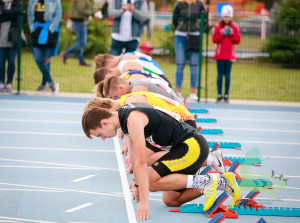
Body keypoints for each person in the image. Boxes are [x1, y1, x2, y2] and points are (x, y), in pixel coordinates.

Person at [82, 104, 241, 221]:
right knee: (170, 200)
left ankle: (207, 180)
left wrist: (144, 201)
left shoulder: (132, 119)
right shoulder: (124, 118)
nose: (103, 138)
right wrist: (137, 184)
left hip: (192, 147)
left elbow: (141, 163)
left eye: (99, 134)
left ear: (104, 123)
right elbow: (137, 157)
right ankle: (221, 182)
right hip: (184, 149)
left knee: (151, 182)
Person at [172, 0, 205, 101]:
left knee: (194, 65)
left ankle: (193, 93)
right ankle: (178, 91)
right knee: (180, 64)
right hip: (180, 36)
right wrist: (181, 26)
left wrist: (197, 27)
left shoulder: (199, 4)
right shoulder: (179, 4)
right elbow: (174, 20)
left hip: (195, 37)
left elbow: (205, 20)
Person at [27, 0, 61, 92]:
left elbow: (58, 16)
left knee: (46, 61)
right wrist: (31, 28)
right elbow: (29, 15)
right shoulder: (32, 1)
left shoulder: (55, 1)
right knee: (38, 58)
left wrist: (51, 29)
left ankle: (43, 85)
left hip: (50, 31)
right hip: (36, 31)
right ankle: (50, 82)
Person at [212, 5, 241, 103]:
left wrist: (231, 34)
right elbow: (214, 39)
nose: (226, 18)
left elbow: (237, 40)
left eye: (228, 17)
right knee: (220, 75)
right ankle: (219, 94)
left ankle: (226, 95)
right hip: (220, 55)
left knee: (227, 75)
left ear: (231, 17)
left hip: (229, 56)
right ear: (222, 17)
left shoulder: (235, 27)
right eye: (225, 16)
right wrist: (222, 33)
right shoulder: (217, 26)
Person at [60, 0, 92, 66]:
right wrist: (91, 13)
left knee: (79, 42)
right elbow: (81, 9)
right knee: (82, 43)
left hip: (78, 21)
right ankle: (65, 53)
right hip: (79, 21)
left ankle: (81, 61)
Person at [0, 0, 19, 92]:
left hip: (12, 38)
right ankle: (1, 82)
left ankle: (9, 83)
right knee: (1, 62)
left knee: (11, 61)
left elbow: (15, 15)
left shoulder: (17, 2)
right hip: (1, 37)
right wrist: (9, 14)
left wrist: (3, 12)